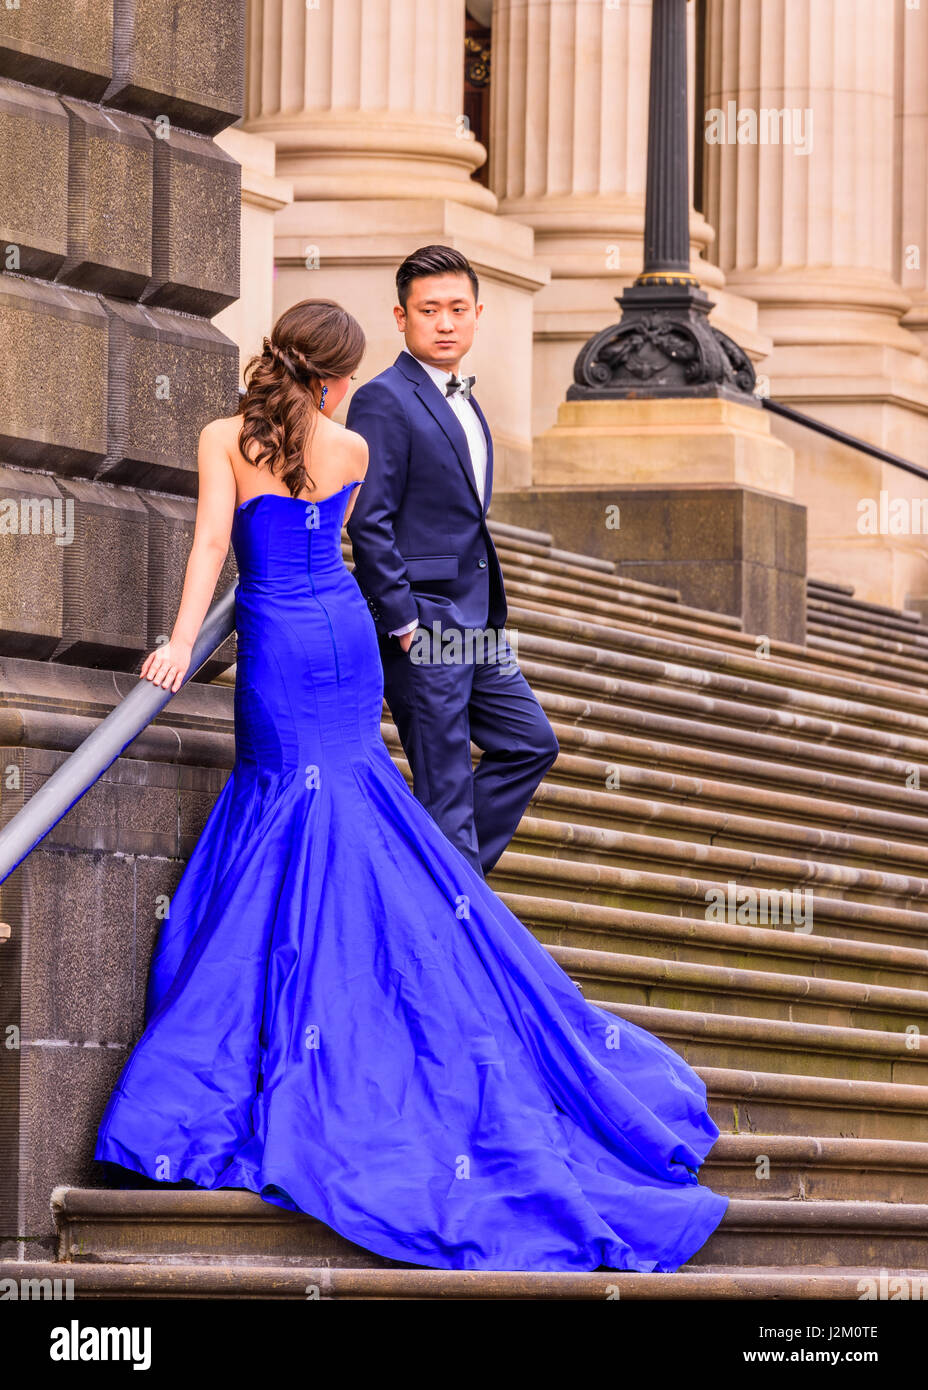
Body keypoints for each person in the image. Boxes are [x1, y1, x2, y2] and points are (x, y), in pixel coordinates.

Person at [94, 296, 729, 1273]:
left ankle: (246, 1054)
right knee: (340, 814)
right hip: (344, 643)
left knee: (285, 815)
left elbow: (211, 552)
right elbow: (334, 548)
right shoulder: (346, 448)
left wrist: (181, 644)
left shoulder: (223, 434)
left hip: (276, 651)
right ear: (335, 375)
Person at [346, 244, 558, 878]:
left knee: (529, 743)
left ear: (477, 313)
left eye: (457, 309)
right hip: (427, 623)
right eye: (429, 309)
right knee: (443, 791)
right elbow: (369, 517)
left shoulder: (466, 400)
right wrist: (404, 621)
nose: (444, 322)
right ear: (401, 317)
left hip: (477, 624)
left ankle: (428, 880)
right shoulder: (385, 398)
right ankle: (453, 924)